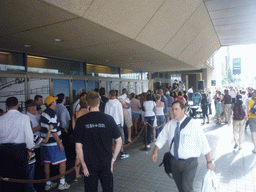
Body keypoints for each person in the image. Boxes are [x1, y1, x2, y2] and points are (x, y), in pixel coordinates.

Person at [151, 100, 215, 192]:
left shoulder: (193, 124)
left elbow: (203, 143)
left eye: (176, 109)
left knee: (187, 188)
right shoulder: (170, 124)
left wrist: (209, 161)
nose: (174, 112)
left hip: (189, 163)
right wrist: (155, 152)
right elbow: (161, 138)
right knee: (181, 188)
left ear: (183, 110)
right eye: (173, 109)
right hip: (174, 162)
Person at [74, 91, 122, 192]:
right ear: (99, 102)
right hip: (106, 162)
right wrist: (113, 161)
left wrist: (83, 164)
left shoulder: (81, 121)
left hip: (89, 164)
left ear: (87, 102)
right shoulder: (109, 119)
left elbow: (78, 146)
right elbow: (119, 141)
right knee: (108, 189)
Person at [0, 97, 34, 192]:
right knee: (21, 177)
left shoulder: (1, 119)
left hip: (4, 150)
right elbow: (29, 136)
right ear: (18, 105)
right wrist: (30, 150)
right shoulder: (24, 118)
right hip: (19, 149)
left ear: (6, 106)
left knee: (7, 177)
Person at [40, 96, 70, 191]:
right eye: (54, 100)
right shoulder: (52, 113)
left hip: (45, 143)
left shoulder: (44, 112)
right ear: (52, 103)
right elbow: (53, 131)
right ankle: (62, 182)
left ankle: (48, 183)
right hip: (53, 143)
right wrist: (60, 143)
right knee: (62, 161)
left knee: (47, 163)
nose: (55, 101)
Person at [25, 99, 54, 192]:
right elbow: (28, 132)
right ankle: (35, 186)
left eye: (34, 106)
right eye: (31, 106)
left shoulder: (37, 114)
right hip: (32, 146)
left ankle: (43, 183)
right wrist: (40, 126)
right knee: (35, 168)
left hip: (40, 143)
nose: (33, 108)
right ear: (27, 108)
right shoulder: (26, 117)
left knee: (41, 165)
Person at [105, 90, 129, 159]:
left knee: (112, 141)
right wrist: (122, 123)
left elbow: (106, 114)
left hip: (110, 125)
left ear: (110, 95)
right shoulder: (118, 103)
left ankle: (113, 155)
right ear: (116, 95)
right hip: (118, 124)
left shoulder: (107, 103)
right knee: (120, 139)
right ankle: (121, 153)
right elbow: (121, 114)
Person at [72, 97, 89, 182]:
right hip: (87, 136)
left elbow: (73, 127)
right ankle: (85, 170)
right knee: (87, 154)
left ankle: (77, 174)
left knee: (78, 156)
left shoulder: (75, 113)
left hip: (78, 136)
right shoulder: (89, 113)